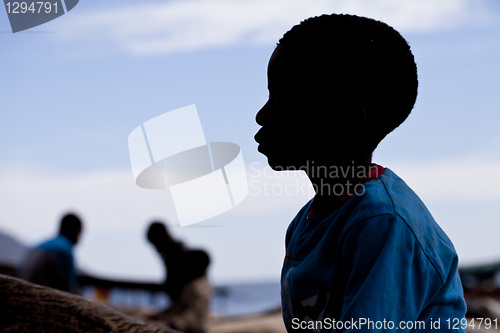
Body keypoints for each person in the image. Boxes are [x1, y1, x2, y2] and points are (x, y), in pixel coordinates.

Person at [254, 14, 466, 332]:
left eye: (282, 99)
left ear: (345, 122)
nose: (261, 115)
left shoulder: (383, 222)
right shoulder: (308, 221)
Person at [146, 221, 211, 333]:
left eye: (156, 244)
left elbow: (192, 314)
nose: (156, 249)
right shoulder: (173, 255)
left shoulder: (177, 258)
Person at [18, 213, 83, 293]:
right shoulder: (64, 249)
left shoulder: (42, 245)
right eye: (79, 234)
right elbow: (70, 287)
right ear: (74, 231)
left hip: (23, 291)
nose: (78, 240)